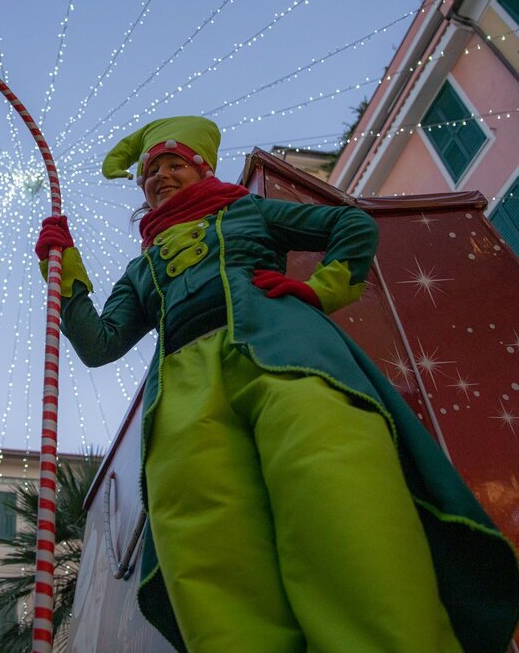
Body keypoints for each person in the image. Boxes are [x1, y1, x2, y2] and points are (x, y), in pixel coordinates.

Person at [35, 115, 519, 652]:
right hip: (183, 402)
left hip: (287, 356)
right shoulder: (141, 268)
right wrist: (64, 270)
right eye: (151, 171)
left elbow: (351, 227)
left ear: (202, 169)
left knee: (341, 500)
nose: (160, 176)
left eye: (174, 164)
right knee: (209, 556)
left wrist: (320, 290)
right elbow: (99, 344)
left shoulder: (246, 210)